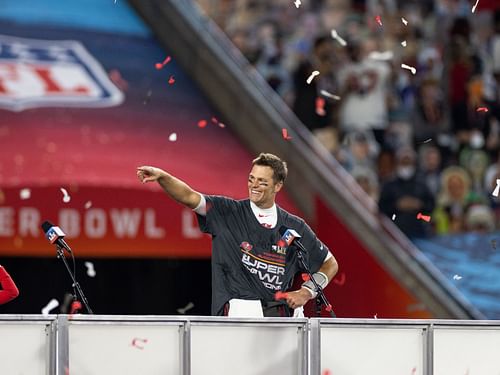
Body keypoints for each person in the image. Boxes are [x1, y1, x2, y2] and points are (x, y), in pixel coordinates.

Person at [137, 153, 338, 317]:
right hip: (238, 314)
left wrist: (306, 291)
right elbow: (189, 196)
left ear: (277, 186)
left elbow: (330, 264)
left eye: (262, 181)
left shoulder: (295, 226)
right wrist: (163, 177)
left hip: (282, 320)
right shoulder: (226, 211)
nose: (254, 185)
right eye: (251, 179)